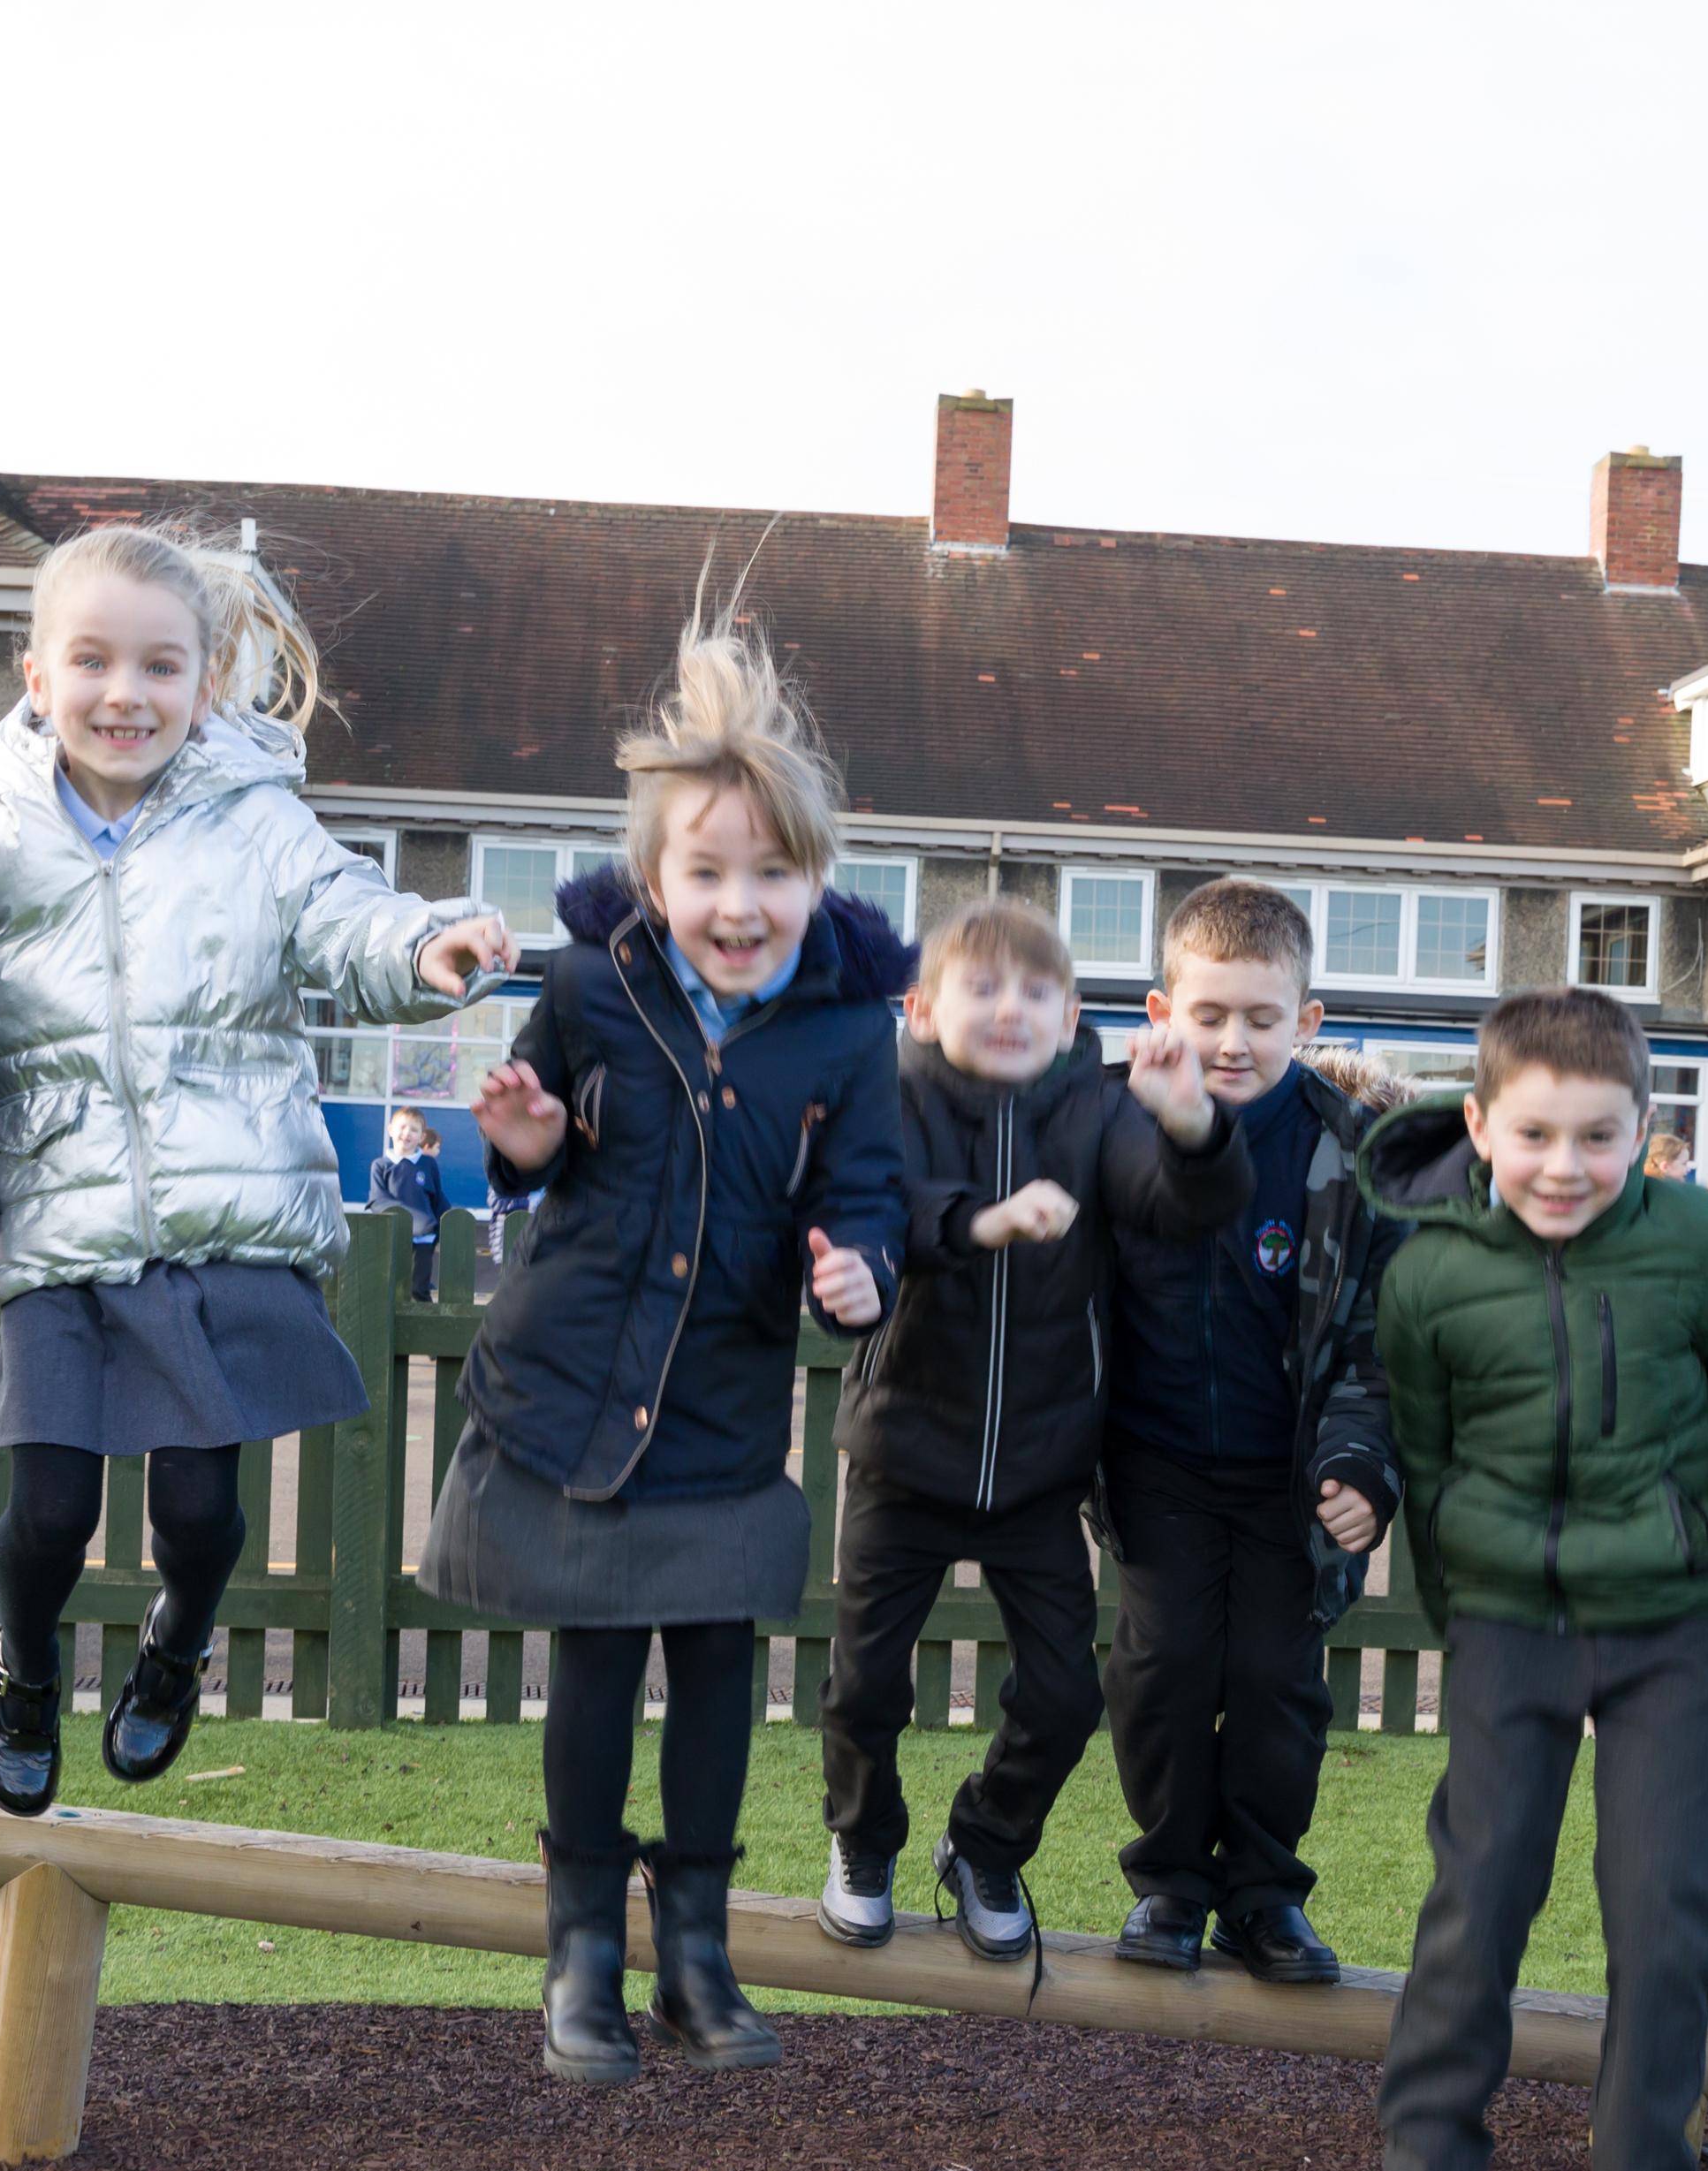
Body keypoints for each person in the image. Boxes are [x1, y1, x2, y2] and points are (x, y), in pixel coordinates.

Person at [0, 524, 512, 1812]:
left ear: (205, 683)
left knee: (198, 1511)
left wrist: (425, 949)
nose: (124, 694)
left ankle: (177, 1641)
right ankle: (22, 1670)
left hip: (227, 1213)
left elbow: (347, 921)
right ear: (36, 675)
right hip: (57, 1219)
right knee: (49, 1513)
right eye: (92, 662)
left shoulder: (258, 823)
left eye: (159, 667)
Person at [421, 613, 906, 2086]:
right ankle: (582, 1953)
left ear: (818, 879)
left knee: (714, 1663)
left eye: (774, 874)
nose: (740, 905)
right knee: (596, 1657)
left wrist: (861, 1270)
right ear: (655, 880)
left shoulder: (847, 1035)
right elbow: (531, 1148)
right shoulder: (589, 989)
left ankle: (695, 1949)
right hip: (574, 1384)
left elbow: (868, 1191)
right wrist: (520, 1143)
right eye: (708, 874)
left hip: (720, 1404)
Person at [1353, 986, 1708, 2171]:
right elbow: (1426, 1457)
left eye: (1599, 1138)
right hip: (1510, 1624)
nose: (1565, 1166)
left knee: (1663, 1921)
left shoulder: (1698, 1242)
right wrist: (1468, 1615)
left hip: (1670, 1621)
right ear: (1481, 1126)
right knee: (1477, 1904)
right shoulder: (1430, 1275)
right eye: (1537, 1135)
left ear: (1645, 1131)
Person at [816, 896, 1244, 1958]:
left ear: (1070, 1020)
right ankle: (862, 1840)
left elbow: (1179, 1205)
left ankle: (987, 1843)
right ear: (922, 1010)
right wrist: (978, 1223)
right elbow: (880, 1208)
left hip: (1042, 1466)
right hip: (904, 1452)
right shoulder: (892, 1099)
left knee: (1062, 1694)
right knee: (865, 1684)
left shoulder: (1098, 1110)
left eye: (1037, 993)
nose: (1012, 1009)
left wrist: (1190, 1124)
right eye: (983, 988)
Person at [1095, 881, 1405, 1981]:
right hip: (1154, 1459)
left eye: (1263, 1019)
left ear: (1306, 1021)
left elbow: (1379, 1338)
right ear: (1160, 1011)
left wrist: (1363, 1463)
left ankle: (1265, 1896)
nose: (1233, 1041)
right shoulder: (1101, 1125)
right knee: (1167, 1665)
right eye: (1209, 1014)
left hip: (1292, 1473)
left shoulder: (1352, 1155)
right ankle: (1173, 1883)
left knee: (1278, 1681)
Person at [368, 1105, 452, 1301]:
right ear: (390, 1130)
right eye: (402, 1127)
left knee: (419, 1289)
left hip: (424, 1238)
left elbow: (438, 1198)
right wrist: (414, 1219)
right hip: (393, 1237)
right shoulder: (381, 1165)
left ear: (422, 1137)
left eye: (414, 1130)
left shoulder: (428, 1164)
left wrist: (442, 1226)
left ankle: (425, 1320)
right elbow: (378, 1201)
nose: (407, 1133)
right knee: (391, 1288)